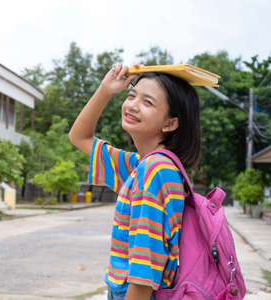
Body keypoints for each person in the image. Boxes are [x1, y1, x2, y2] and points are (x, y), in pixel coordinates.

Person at [68, 64, 201, 300]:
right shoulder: (138, 165)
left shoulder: (155, 170)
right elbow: (79, 137)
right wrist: (106, 90)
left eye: (147, 102)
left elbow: (145, 268)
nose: (132, 105)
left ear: (170, 123)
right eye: (131, 96)